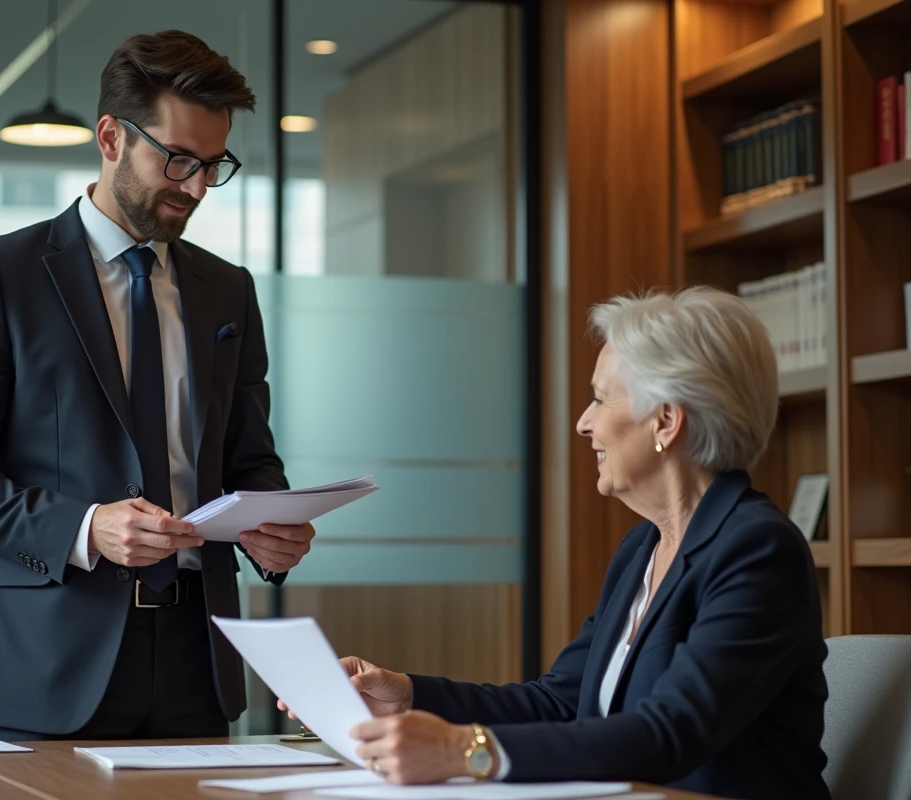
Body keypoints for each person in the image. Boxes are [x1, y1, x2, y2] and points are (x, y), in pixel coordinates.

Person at [0, 30, 315, 741]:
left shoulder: (228, 290)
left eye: (213, 167)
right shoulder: (1, 275)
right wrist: (85, 526)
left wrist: (272, 523)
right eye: (179, 159)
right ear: (110, 137)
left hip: (199, 660)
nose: (195, 188)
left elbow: (248, 454)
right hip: (46, 662)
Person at [293, 287, 828, 800]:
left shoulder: (757, 550)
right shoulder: (643, 547)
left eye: (599, 399)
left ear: (666, 420)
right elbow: (561, 701)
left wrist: (465, 751)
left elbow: (671, 732)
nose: (583, 423)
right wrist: (407, 696)